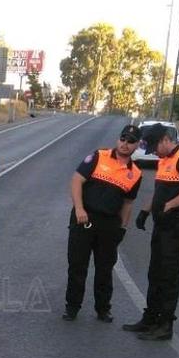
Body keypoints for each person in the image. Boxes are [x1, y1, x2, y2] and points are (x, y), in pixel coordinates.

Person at [127, 124, 179, 341]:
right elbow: (160, 190)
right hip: (161, 226)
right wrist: (145, 211)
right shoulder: (164, 161)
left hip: (175, 227)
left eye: (154, 147)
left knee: (168, 276)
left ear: (165, 140)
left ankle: (165, 325)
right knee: (155, 274)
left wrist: (171, 205)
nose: (154, 152)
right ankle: (150, 318)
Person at [64, 124, 143, 322]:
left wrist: (123, 228)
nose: (125, 144)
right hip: (84, 218)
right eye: (123, 139)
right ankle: (72, 307)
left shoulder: (136, 174)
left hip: (109, 224)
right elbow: (76, 180)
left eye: (130, 141)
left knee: (105, 268)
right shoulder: (98, 156)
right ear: (119, 139)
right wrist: (80, 208)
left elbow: (128, 203)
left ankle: (103, 309)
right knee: (77, 266)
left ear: (137, 145)